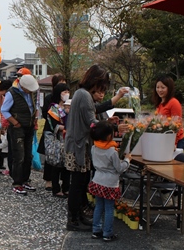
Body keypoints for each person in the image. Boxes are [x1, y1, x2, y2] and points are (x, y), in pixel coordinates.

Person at [64, 64, 128, 231]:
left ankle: (78, 215)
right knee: (77, 184)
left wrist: (117, 98)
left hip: (78, 145)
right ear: (95, 81)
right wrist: (113, 128)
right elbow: (93, 123)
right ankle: (73, 220)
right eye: (101, 87)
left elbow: (96, 110)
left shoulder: (82, 94)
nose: (102, 90)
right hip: (77, 146)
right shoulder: (84, 95)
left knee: (81, 182)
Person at [88, 121, 131, 242]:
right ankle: (107, 233)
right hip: (110, 184)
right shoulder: (112, 152)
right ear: (108, 136)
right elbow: (119, 168)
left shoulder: (93, 147)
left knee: (99, 206)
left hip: (97, 181)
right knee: (109, 208)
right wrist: (127, 160)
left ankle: (96, 230)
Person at [1, 74, 40, 195]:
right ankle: (17, 182)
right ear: (23, 86)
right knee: (19, 155)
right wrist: (14, 122)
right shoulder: (11, 93)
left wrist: (35, 118)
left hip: (29, 126)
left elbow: (35, 107)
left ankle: (25, 179)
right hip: (17, 127)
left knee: (28, 155)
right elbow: (4, 110)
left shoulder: (32, 93)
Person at [37, 73, 66, 191]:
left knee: (62, 156)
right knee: (51, 155)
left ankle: (61, 182)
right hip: (51, 129)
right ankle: (48, 180)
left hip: (63, 132)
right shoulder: (50, 98)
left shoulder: (67, 101)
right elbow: (45, 113)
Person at [41, 83, 71, 198]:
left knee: (67, 165)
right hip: (57, 140)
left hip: (67, 140)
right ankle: (56, 188)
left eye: (68, 91)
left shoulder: (70, 107)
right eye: (64, 92)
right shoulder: (53, 108)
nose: (66, 94)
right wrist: (66, 128)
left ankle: (66, 188)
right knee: (57, 165)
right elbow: (53, 126)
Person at [152, 75, 184, 149]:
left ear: (169, 88)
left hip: (174, 142)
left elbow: (177, 125)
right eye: (157, 87)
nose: (160, 90)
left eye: (163, 87)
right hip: (164, 140)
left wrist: (174, 143)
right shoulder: (160, 103)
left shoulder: (174, 103)